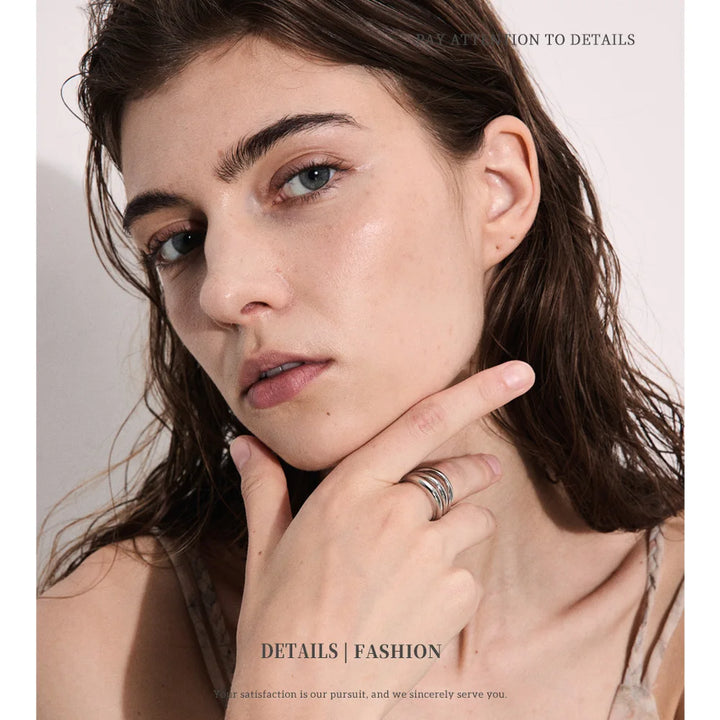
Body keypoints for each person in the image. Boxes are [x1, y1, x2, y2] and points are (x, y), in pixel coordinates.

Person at [37, 1, 684, 718]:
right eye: (179, 242)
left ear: (499, 191)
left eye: (309, 178)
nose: (222, 292)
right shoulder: (87, 656)